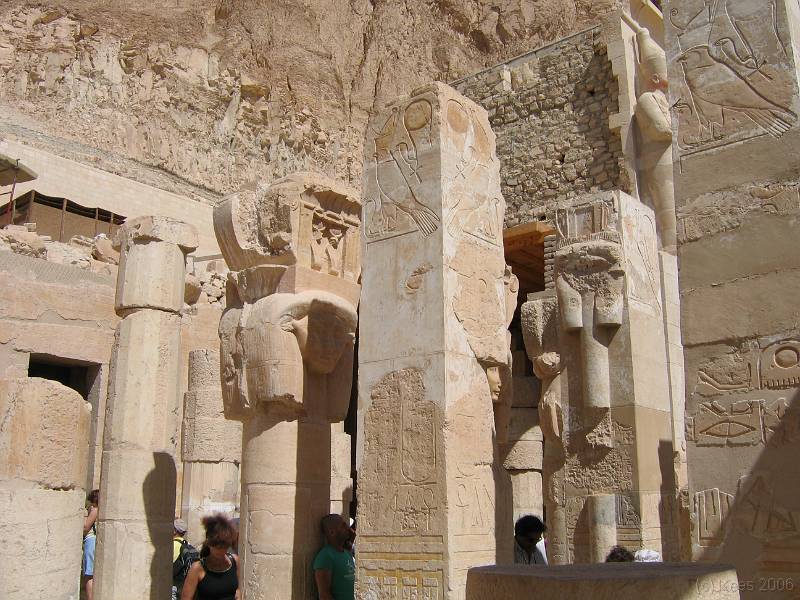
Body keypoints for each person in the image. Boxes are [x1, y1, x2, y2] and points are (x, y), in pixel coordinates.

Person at [180, 513, 240, 600]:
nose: (221, 551)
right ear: (209, 543)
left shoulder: (235, 561)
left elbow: (238, 591)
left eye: (224, 547)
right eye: (217, 547)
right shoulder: (197, 568)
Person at [313, 514, 356, 600]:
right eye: (343, 526)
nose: (347, 528)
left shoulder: (347, 554)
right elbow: (324, 595)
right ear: (332, 532)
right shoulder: (326, 557)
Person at [173, 518, 199, 600]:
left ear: (174, 531)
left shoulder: (174, 545)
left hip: (174, 586)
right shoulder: (187, 544)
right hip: (184, 584)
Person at [83, 489, 99, 600]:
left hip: (90, 541)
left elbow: (86, 527)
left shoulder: (95, 510)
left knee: (89, 575)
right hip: (95, 541)